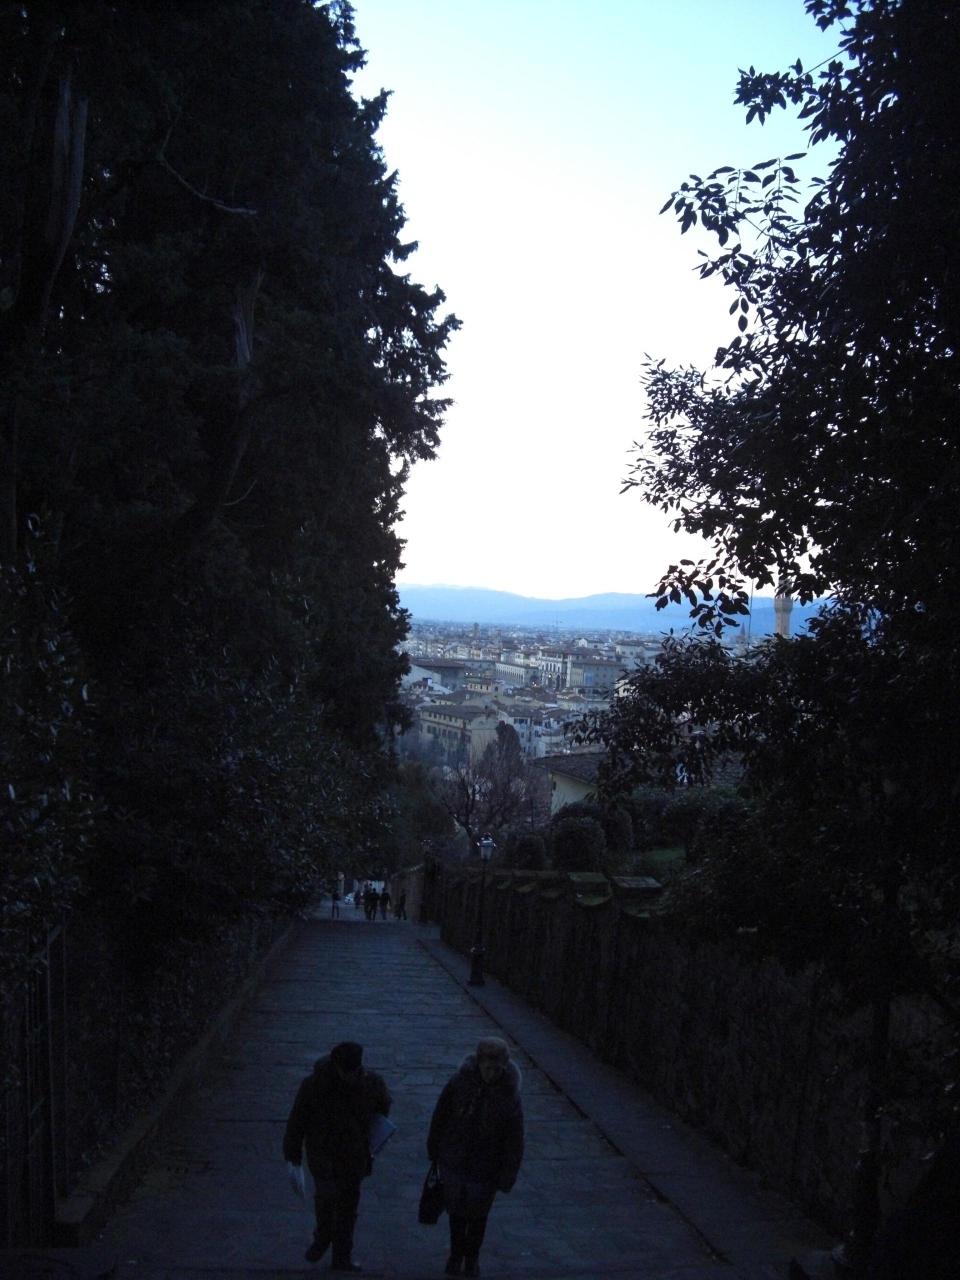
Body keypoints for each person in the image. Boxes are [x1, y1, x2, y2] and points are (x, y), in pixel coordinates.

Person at [284, 1040, 392, 1272]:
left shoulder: (371, 1084)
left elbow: (383, 1107)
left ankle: (342, 1256)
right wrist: (293, 1155)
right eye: (346, 1072)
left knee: (348, 1207)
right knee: (327, 1199)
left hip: (354, 1154)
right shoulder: (314, 1085)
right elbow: (297, 1121)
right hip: (323, 1152)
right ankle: (323, 1237)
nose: (349, 1077)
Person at [427, 1036, 524, 1278]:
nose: (491, 1074)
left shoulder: (509, 1095)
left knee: (478, 1217)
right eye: (487, 1068)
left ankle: (471, 1259)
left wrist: (508, 1172)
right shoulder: (459, 1083)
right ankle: (456, 1256)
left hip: (486, 1166)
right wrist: (434, 1148)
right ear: (479, 1063)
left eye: (496, 1069)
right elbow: (441, 1116)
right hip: (455, 1159)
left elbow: (515, 1139)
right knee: (456, 1214)